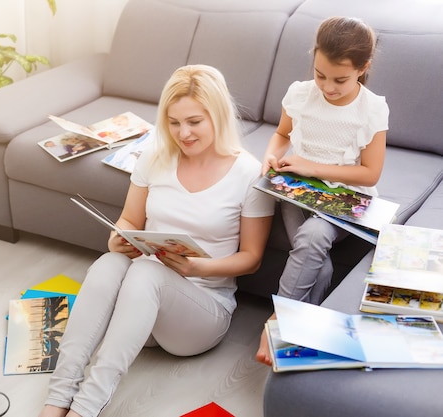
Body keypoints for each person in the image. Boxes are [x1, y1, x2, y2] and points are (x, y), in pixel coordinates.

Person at [38, 64, 275, 417]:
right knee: (110, 263)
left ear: (219, 115)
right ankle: (57, 400)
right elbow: (130, 220)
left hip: (200, 315)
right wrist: (118, 238)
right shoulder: (154, 157)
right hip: (137, 313)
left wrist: (200, 266)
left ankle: (84, 409)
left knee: (146, 274)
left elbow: (251, 258)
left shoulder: (249, 173)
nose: (183, 133)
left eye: (194, 122)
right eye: (174, 122)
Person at [256, 16, 390, 366]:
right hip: (296, 192)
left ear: (363, 68)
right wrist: (272, 155)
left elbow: (370, 172)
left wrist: (309, 166)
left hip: (346, 200)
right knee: (322, 266)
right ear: (313, 59)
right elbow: (282, 135)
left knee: (314, 234)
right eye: (320, 74)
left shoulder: (372, 109)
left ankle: (279, 320)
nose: (328, 88)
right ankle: (307, 330)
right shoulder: (300, 95)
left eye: (340, 80)